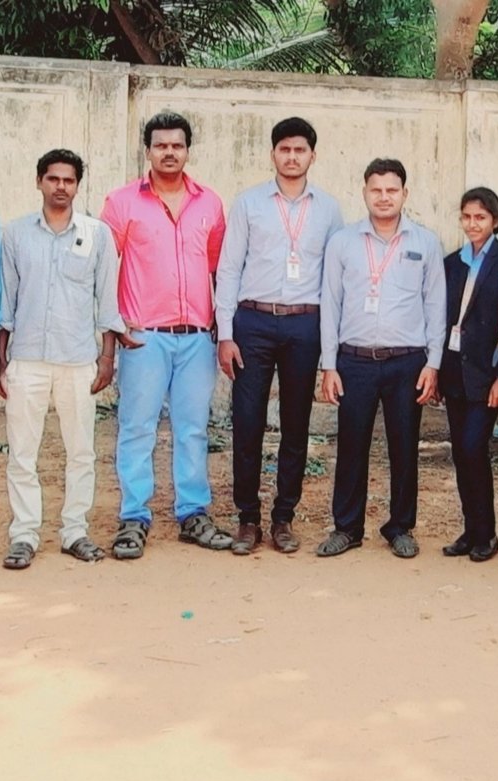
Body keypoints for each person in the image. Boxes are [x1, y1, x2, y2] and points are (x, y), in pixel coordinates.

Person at [100, 111, 231, 559]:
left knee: (192, 429)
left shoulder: (209, 204)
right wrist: (115, 325)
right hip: (144, 337)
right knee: (137, 428)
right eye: (161, 145)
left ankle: (193, 513)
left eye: (176, 145)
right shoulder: (122, 203)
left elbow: (217, 269)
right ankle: (133, 517)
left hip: (196, 338)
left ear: (187, 150)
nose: (169, 152)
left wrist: (221, 326)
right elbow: (104, 267)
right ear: (148, 151)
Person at [214, 117, 344, 555]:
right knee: (247, 421)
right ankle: (248, 518)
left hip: (305, 325)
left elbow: (335, 281)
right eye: (284, 149)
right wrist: (226, 333)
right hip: (253, 322)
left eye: (299, 150)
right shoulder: (249, 203)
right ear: (272, 154)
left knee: (295, 423)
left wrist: (330, 347)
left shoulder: (328, 210)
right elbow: (229, 268)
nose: (292, 157)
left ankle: (283, 517)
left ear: (312, 156)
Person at [0, 149, 124, 568]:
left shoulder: (97, 234)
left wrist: (107, 358)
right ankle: (24, 534)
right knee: (22, 453)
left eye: (69, 180)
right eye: (53, 179)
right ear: (39, 181)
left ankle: (75, 531)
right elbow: (6, 300)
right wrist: (1, 360)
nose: (61, 187)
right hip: (27, 357)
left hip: (78, 358)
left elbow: (108, 301)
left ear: (77, 186)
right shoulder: (16, 234)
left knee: (81, 451)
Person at [316, 158, 445, 559]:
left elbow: (436, 304)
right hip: (354, 361)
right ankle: (347, 527)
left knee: (404, 447)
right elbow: (330, 304)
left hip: (407, 362)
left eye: (392, 190)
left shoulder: (426, 243)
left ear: (405, 193)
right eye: (376, 189)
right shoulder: (343, 242)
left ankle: (400, 526)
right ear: (365, 193)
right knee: (351, 445)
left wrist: (433, 363)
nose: (384, 197)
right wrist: (329, 364)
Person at [437, 187, 498, 562]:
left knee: (474, 448)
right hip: (455, 371)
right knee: (460, 452)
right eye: (467, 217)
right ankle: (470, 531)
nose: (473, 224)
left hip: (487, 374)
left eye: (481, 217)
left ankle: (487, 533)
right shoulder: (452, 263)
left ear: (495, 221)